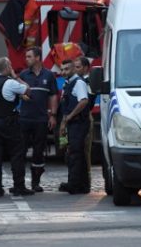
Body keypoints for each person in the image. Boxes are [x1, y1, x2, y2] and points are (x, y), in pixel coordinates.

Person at [0, 57, 34, 197]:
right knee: (17, 154)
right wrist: (16, 77)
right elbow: (28, 90)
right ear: (7, 67)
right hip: (9, 123)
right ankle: (19, 186)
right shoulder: (10, 82)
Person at [19, 47, 58, 192]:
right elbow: (16, 93)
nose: (26, 59)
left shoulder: (49, 75)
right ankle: (20, 183)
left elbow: (53, 95)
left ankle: (35, 182)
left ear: (37, 58)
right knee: (21, 151)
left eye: (29, 56)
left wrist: (53, 115)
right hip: (24, 119)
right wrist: (22, 95)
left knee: (38, 152)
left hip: (41, 120)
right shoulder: (23, 74)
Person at [58, 59, 90, 194]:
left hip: (78, 123)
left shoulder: (79, 83)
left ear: (73, 69)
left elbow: (83, 101)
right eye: (62, 69)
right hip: (71, 123)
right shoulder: (68, 84)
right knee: (75, 154)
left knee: (75, 154)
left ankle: (75, 184)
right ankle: (80, 184)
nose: (64, 72)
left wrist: (70, 116)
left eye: (66, 69)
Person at [73, 57, 96, 191]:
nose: (76, 70)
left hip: (84, 116)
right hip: (76, 117)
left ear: (86, 68)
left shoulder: (87, 82)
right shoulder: (78, 81)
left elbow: (89, 102)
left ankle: (86, 182)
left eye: (78, 67)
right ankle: (78, 179)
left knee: (85, 150)